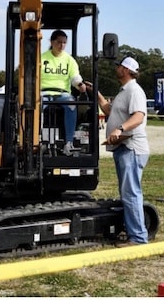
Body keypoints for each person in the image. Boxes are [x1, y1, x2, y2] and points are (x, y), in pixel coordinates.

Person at [91, 56, 149, 246]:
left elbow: (138, 116)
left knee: (131, 192)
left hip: (130, 148)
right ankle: (135, 233)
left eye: (118, 66)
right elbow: (110, 111)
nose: (116, 69)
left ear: (125, 70)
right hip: (123, 148)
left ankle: (138, 238)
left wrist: (120, 129)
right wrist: (97, 95)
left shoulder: (134, 91)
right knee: (128, 192)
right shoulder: (124, 91)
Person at [41, 29, 87, 155]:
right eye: (59, 42)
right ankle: (37, 140)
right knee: (35, 106)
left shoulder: (69, 60)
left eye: (64, 43)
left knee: (72, 104)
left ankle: (68, 143)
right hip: (44, 92)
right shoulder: (42, 58)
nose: (62, 45)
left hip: (62, 93)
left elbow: (75, 77)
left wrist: (80, 85)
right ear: (51, 42)